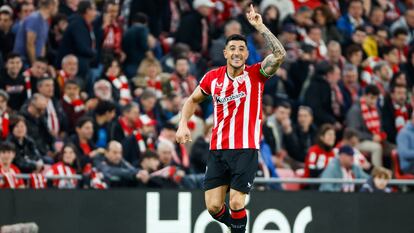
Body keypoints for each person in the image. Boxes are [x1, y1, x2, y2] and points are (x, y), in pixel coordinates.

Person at [176, 5, 286, 233]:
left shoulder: (256, 74)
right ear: (225, 53)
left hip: (245, 149)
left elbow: (279, 55)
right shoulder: (212, 78)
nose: (237, 53)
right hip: (218, 149)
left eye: (241, 49)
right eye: (232, 48)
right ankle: (238, 229)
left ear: (246, 54)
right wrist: (183, 124)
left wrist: (260, 26)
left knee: (236, 202)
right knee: (214, 207)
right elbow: (191, 100)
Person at [13, 0, 58, 65]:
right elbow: (30, 44)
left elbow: (42, 45)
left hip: (36, 63)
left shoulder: (45, 22)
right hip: (23, 62)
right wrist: (34, 64)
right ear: (51, 6)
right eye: (56, 6)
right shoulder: (34, 19)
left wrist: (42, 64)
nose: (57, 9)